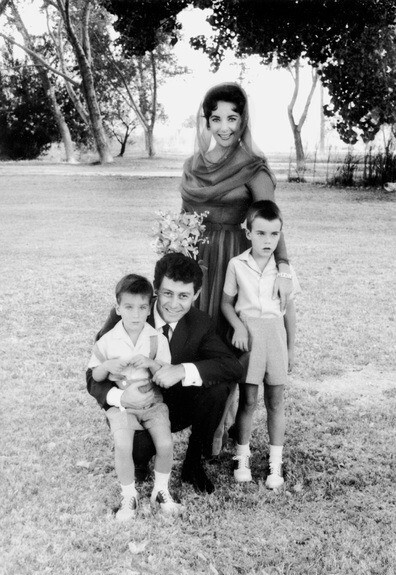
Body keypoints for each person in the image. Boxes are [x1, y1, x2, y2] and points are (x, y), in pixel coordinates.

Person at [180, 82, 294, 451]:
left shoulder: (253, 168)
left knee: (231, 343)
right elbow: (185, 221)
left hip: (236, 260)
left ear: (243, 120)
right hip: (201, 262)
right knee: (199, 340)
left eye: (232, 117)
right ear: (207, 122)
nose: (224, 127)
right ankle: (197, 420)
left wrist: (284, 267)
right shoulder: (193, 166)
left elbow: (272, 222)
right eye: (216, 119)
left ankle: (221, 433)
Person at [86, 253, 243, 495]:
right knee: (139, 449)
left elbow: (232, 366)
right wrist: (120, 399)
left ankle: (193, 463)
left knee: (217, 390)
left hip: (178, 403)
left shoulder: (201, 323)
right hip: (137, 405)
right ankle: (139, 460)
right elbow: (92, 376)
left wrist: (181, 370)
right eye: (167, 293)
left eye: (184, 296)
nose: (173, 304)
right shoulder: (131, 313)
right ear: (156, 290)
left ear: (196, 295)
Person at [221, 200, 301, 489]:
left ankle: (275, 462)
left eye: (274, 234)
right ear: (248, 233)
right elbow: (226, 304)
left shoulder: (285, 272)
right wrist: (239, 326)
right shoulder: (237, 265)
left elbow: (290, 312)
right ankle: (242, 455)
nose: (268, 240)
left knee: (276, 401)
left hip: (275, 337)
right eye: (261, 233)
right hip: (249, 339)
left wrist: (291, 348)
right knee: (249, 400)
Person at [87, 274, 181, 520]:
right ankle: (129, 495)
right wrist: (108, 365)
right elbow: (94, 375)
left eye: (142, 307)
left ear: (149, 308)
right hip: (122, 408)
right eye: (128, 307)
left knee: (165, 443)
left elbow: (165, 374)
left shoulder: (156, 338)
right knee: (123, 445)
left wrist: (150, 362)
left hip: (152, 403)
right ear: (118, 308)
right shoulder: (108, 340)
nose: (136, 314)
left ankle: (160, 490)